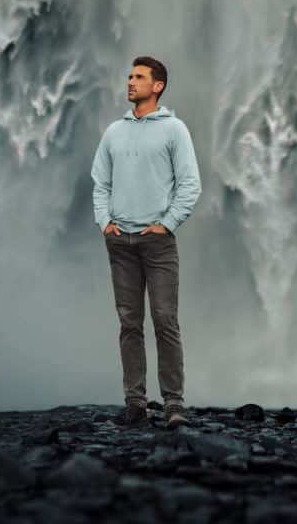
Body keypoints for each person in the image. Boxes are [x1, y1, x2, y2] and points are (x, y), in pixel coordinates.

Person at [91, 55, 202, 428]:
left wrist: (167, 224)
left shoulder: (174, 130)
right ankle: (135, 403)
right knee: (129, 323)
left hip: (157, 243)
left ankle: (173, 404)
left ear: (158, 86)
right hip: (120, 242)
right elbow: (100, 182)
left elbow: (190, 184)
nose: (130, 82)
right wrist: (105, 222)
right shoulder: (114, 132)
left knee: (165, 320)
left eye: (138, 77)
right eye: (129, 76)